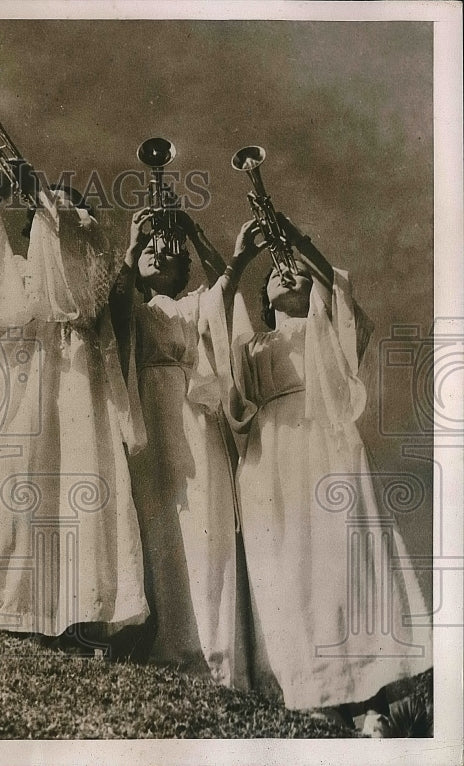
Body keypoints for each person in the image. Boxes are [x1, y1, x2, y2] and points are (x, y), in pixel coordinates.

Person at [222, 214, 432, 720]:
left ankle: (369, 702)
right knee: (286, 574)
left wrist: (299, 243)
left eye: (291, 269)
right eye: (272, 274)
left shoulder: (326, 333)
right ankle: (312, 698)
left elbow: (351, 308)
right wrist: (241, 258)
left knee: (339, 570)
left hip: (326, 453)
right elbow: (218, 340)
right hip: (270, 463)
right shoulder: (253, 347)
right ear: (264, 301)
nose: (283, 272)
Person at [0, 168, 150, 641]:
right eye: (45, 207)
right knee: (23, 481)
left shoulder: (89, 264)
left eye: (65, 206)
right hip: (29, 375)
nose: (57, 213)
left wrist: (50, 200)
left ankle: (83, 609)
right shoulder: (20, 268)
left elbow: (93, 290)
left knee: (81, 482)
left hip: (79, 377)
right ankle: (20, 602)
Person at [109, 206, 246, 685]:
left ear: (182, 267)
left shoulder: (193, 306)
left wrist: (190, 229)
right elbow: (113, 305)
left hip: (192, 419)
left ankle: (213, 654)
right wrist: (132, 242)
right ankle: (165, 645)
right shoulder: (133, 307)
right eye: (148, 250)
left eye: (166, 252)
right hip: (145, 418)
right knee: (156, 529)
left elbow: (227, 281)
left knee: (202, 526)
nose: (155, 253)